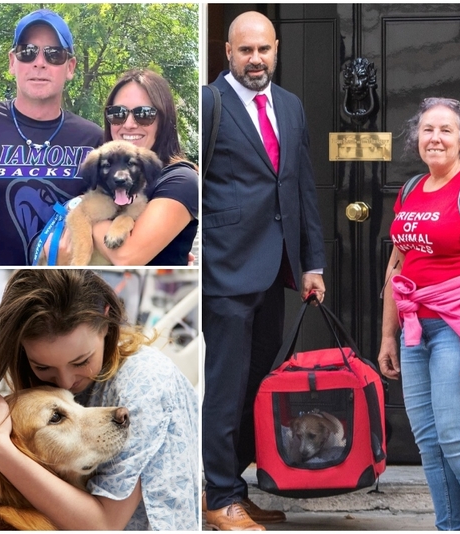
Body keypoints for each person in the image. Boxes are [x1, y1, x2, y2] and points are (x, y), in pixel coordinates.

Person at [201, 11, 326, 531]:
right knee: (225, 388)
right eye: (245, 50)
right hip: (224, 270)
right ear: (227, 52)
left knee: (255, 384)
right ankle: (217, 497)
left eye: (264, 50)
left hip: (276, 269)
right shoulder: (210, 103)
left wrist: (312, 262)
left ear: (276, 49)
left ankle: (236, 487)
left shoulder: (291, 106)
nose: (256, 59)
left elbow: (300, 187)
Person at [0, 269, 199, 530]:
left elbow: (103, 526)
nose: (64, 382)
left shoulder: (145, 382)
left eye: (81, 361)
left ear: (107, 324)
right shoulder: (26, 378)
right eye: (43, 367)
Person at [0, 9, 103, 266]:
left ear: (70, 67)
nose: (39, 62)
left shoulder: (94, 140)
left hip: (58, 293)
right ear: (12, 62)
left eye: (54, 54)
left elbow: (112, 220)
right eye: (27, 52)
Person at [377, 98, 460, 530]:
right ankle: (449, 525)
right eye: (428, 129)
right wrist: (388, 336)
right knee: (428, 440)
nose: (436, 138)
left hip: (453, 328)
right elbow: (398, 266)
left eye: (446, 130)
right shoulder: (411, 189)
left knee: (452, 436)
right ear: (417, 137)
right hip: (414, 331)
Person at [49, 68, 199, 265]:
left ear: (164, 119)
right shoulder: (104, 174)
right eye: (117, 113)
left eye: (144, 114)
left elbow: (126, 257)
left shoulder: (181, 181)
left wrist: (83, 213)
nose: (128, 124)